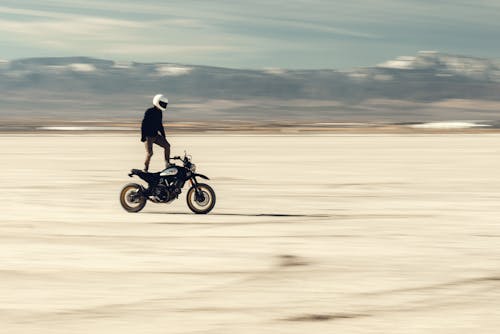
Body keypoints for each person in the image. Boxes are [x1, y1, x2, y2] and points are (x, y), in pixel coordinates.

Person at [141, 94, 170, 172]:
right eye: (162, 103)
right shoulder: (149, 111)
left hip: (156, 135)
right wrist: (143, 137)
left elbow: (160, 125)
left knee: (167, 146)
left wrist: (163, 136)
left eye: (164, 104)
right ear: (157, 102)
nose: (163, 105)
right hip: (148, 137)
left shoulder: (160, 112)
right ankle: (145, 168)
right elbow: (144, 124)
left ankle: (167, 163)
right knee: (150, 153)